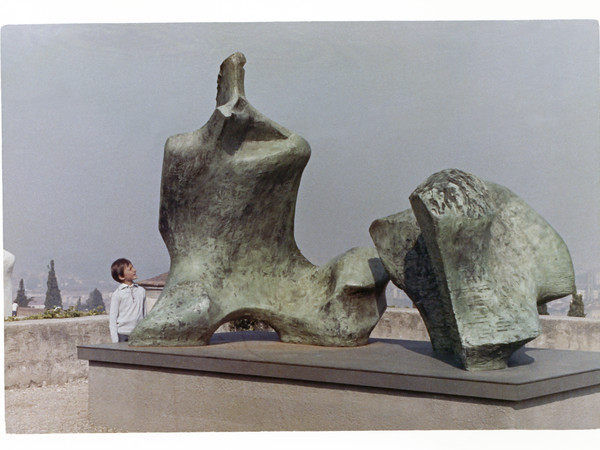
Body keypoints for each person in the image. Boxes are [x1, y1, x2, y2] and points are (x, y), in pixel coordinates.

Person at [109, 258, 146, 343]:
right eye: (130, 269)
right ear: (121, 276)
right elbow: (113, 319)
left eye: (133, 267)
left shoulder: (141, 291)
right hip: (122, 335)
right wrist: (115, 341)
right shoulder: (117, 294)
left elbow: (144, 314)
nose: (134, 270)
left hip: (138, 334)